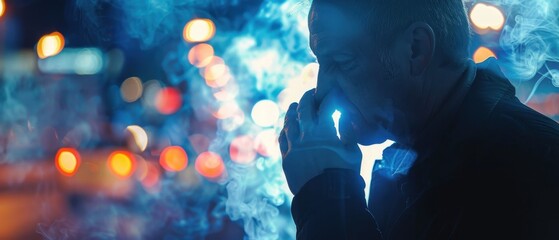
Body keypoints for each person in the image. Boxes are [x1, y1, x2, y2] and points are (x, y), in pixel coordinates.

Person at [278, 0, 559, 239]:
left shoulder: (529, 174)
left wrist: (325, 199)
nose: (322, 90)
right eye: (321, 64)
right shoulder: (412, 165)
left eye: (342, 62)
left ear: (416, 49)